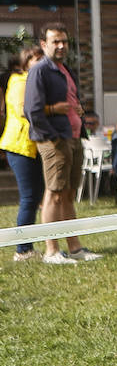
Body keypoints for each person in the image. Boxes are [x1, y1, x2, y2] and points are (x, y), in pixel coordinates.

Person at [24, 22, 99, 264]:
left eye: (64, 41)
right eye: (55, 41)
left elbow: (68, 100)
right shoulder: (40, 70)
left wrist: (78, 110)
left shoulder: (64, 69)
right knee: (54, 193)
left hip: (74, 136)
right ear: (43, 44)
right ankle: (51, 251)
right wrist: (52, 135)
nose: (61, 46)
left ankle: (75, 248)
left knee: (67, 194)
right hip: (55, 139)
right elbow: (31, 111)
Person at [2, 46, 43, 262]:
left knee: (36, 197)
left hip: (32, 147)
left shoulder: (35, 81)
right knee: (29, 198)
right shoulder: (19, 82)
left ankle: (30, 245)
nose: (40, 62)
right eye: (36, 59)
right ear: (25, 63)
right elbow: (23, 110)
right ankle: (22, 250)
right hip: (19, 147)